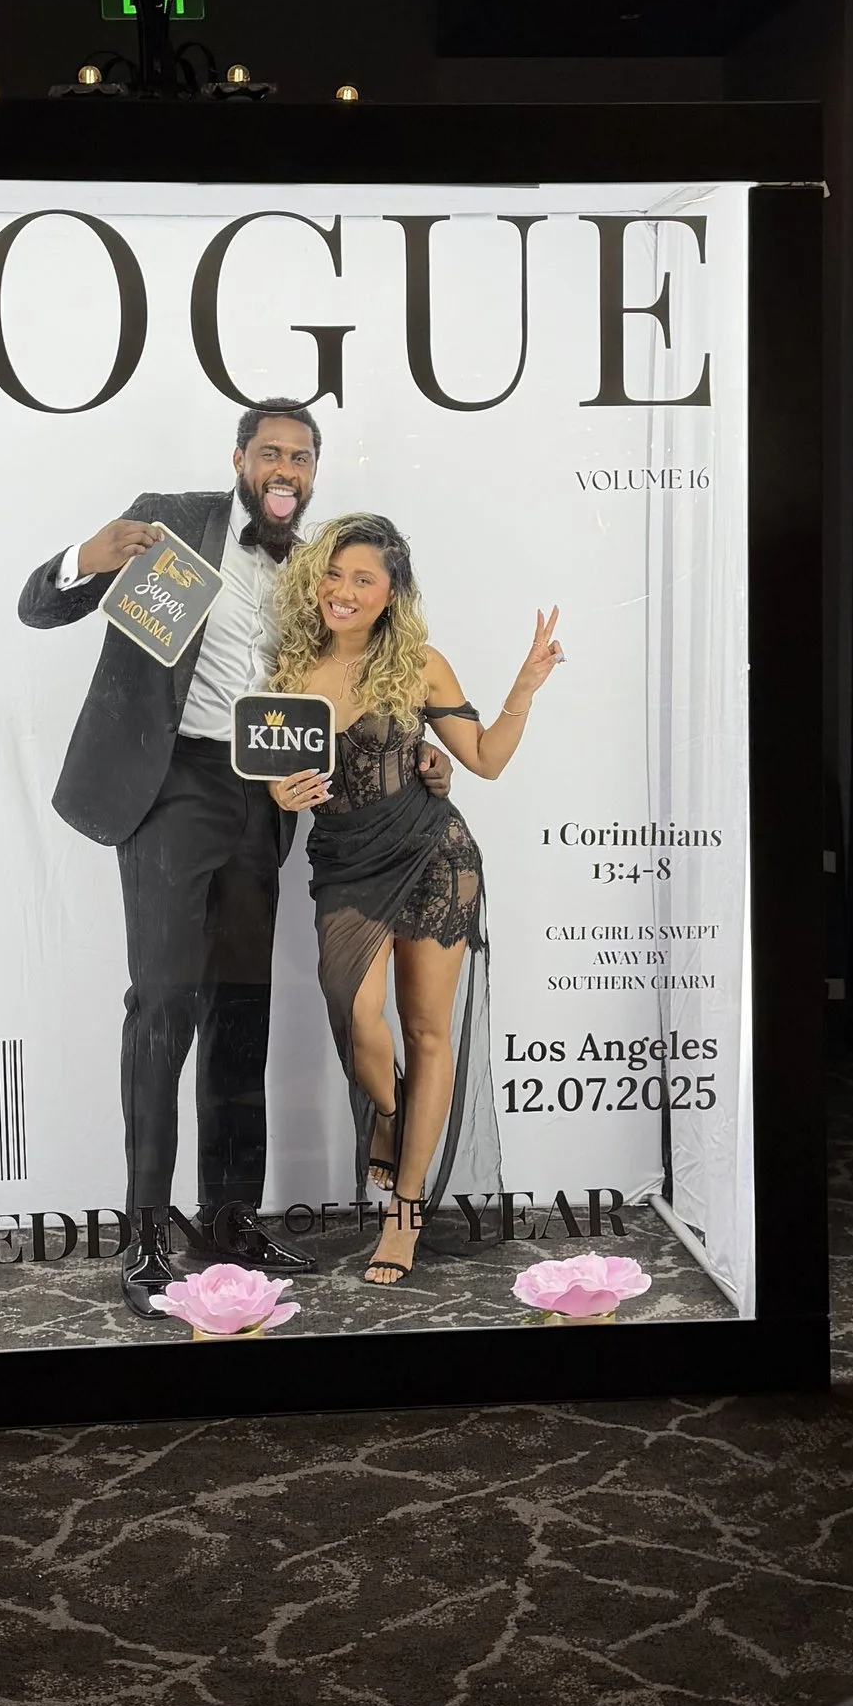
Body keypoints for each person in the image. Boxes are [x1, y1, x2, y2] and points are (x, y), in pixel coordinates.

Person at [18, 401, 448, 1319]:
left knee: (240, 1009)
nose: (285, 467)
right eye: (270, 452)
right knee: (165, 1002)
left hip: (265, 796)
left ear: (314, 470)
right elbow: (37, 606)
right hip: (170, 785)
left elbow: (367, 671)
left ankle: (227, 1218)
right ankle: (142, 1234)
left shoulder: (322, 570)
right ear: (240, 459)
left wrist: (419, 747)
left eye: (302, 455)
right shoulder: (171, 522)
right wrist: (87, 558)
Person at [267, 515, 563, 1288]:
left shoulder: (419, 665)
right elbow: (271, 776)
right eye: (333, 574)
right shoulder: (289, 669)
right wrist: (277, 786)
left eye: (363, 578)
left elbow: (486, 759)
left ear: (390, 592)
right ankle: (392, 1115)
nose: (343, 590)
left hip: (436, 856)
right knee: (356, 1010)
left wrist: (523, 688)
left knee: (429, 1032)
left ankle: (404, 1215)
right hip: (345, 866)